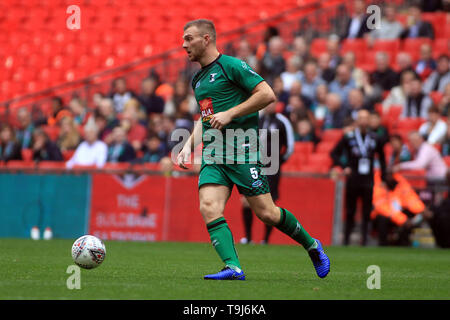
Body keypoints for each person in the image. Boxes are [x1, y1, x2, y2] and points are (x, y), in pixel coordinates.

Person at [177, 19, 330, 280]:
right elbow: (206, 119)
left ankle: (312, 246)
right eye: (183, 39)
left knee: (267, 213)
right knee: (208, 206)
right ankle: (233, 267)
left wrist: (230, 113)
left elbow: (267, 94)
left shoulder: (233, 66)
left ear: (207, 39)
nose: (183, 44)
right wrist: (187, 146)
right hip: (215, 155)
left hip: (243, 153)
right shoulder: (198, 80)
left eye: (189, 38)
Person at [240, 101, 295, 245]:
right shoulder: (257, 119)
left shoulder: (282, 121)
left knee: (270, 203)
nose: (270, 106)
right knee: (246, 200)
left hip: (272, 168)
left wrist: (279, 160)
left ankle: (265, 239)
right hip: (253, 165)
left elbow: (290, 145)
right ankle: (248, 237)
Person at [330, 110, 387, 246]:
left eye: (366, 118)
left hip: (368, 178)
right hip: (353, 177)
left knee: (367, 210)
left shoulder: (375, 138)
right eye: (360, 118)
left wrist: (383, 177)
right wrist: (344, 167)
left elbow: (383, 158)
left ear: (369, 120)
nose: (363, 121)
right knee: (350, 210)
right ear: (357, 120)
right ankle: (346, 240)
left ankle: (365, 240)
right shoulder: (349, 137)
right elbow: (334, 153)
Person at [371, 171, 425, 246]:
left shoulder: (399, 181)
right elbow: (382, 207)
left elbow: (411, 198)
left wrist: (421, 210)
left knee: (414, 215)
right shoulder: (378, 184)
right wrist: (402, 219)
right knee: (382, 218)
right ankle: (383, 244)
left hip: (398, 214)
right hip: (385, 217)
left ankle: (404, 243)